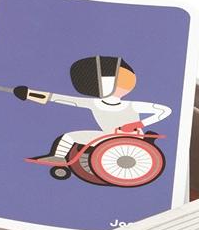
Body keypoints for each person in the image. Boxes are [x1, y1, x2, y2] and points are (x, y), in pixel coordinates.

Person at [12, 55, 174, 164]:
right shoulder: (94, 103)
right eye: (122, 80)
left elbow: (165, 110)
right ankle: (58, 158)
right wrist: (29, 94)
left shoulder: (132, 105)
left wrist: (138, 124)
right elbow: (60, 98)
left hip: (131, 138)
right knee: (69, 137)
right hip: (106, 137)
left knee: (71, 137)